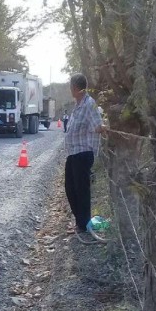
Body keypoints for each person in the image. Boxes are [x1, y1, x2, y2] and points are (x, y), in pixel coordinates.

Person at [64, 73, 106, 233]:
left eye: (70, 87)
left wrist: (101, 127)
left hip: (83, 153)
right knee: (70, 187)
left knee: (81, 190)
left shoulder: (89, 104)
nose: (70, 89)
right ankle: (80, 222)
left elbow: (97, 124)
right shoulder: (78, 105)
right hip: (73, 153)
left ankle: (84, 225)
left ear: (75, 88)